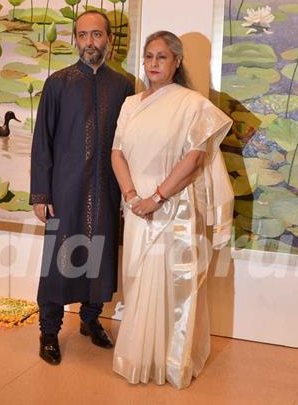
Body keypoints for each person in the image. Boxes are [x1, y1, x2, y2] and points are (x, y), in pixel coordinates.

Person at [110, 31, 233, 389]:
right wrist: (133, 197)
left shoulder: (192, 104)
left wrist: (157, 198)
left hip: (175, 207)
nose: (153, 64)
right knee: (138, 281)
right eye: (149, 56)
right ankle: (139, 356)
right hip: (136, 207)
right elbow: (117, 152)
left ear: (177, 62)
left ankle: (172, 360)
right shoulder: (131, 104)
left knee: (176, 285)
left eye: (161, 57)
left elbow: (194, 159)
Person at [30, 10, 134, 366]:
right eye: (83, 35)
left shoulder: (122, 86)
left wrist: (127, 191)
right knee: (58, 265)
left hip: (106, 190)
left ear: (110, 39)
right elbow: (41, 141)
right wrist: (41, 194)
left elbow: (130, 144)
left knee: (101, 258)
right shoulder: (58, 83)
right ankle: (48, 331)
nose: (90, 42)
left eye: (97, 35)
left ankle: (90, 320)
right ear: (75, 39)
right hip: (65, 192)